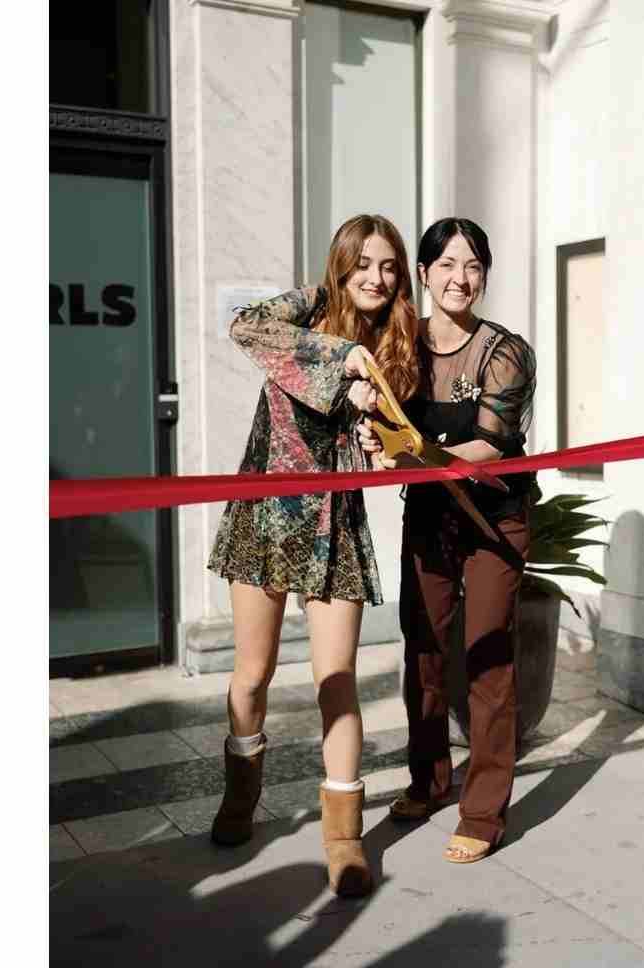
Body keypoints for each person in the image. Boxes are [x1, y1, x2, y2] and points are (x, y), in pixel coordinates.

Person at [206, 213, 421, 897]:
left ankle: (344, 840)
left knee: (337, 678)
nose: (377, 278)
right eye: (365, 263)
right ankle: (240, 796)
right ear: (342, 263)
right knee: (253, 674)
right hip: (265, 515)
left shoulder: (395, 343)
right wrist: (338, 356)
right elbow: (244, 326)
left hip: (336, 525)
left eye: (389, 267)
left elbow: (392, 439)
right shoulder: (307, 315)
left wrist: (376, 422)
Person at [358, 217, 536, 864]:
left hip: (495, 517)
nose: (461, 278)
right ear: (425, 274)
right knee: (424, 648)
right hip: (430, 515)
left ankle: (485, 811)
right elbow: (382, 422)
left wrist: (415, 457)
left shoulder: (506, 351)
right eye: (448, 265)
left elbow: (491, 440)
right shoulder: (397, 348)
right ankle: (428, 780)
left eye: (474, 266)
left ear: (484, 276)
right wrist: (376, 442)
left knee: (488, 656)